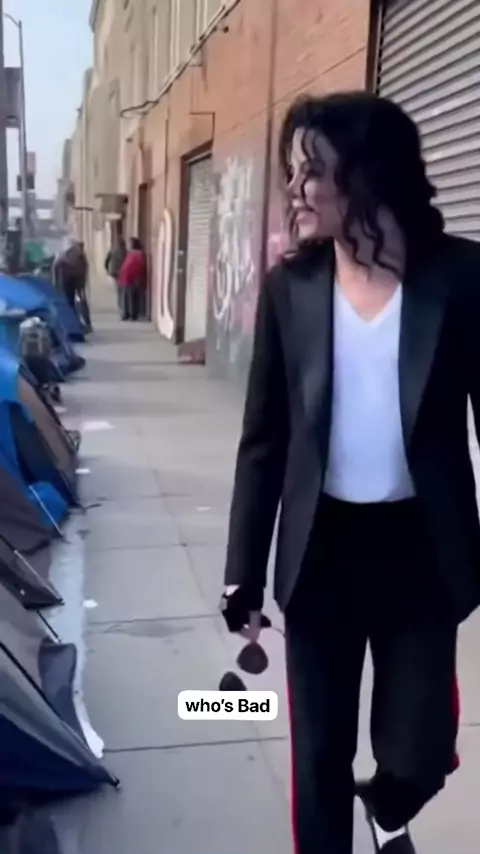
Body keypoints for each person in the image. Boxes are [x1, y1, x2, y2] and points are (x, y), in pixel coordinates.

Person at [219, 91, 480, 854]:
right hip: (320, 550)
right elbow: (263, 441)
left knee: (420, 752)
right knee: (319, 757)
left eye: (312, 172)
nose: (294, 189)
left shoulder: (462, 277)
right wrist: (242, 576)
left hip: (422, 551)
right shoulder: (291, 289)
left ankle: (391, 801)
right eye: (290, 172)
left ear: (368, 174)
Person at [118, 237, 146, 321]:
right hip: (125, 279)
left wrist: (137, 278)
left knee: (131, 298)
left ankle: (132, 314)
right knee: (126, 297)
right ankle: (126, 313)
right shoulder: (130, 254)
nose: (128, 245)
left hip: (132, 279)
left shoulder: (138, 254)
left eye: (130, 243)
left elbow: (137, 267)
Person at [105, 235, 127, 313]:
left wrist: (107, 269)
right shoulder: (125, 252)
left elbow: (106, 261)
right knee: (122, 289)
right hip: (122, 272)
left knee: (119, 289)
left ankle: (120, 305)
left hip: (115, 272)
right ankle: (121, 305)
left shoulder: (113, 251)